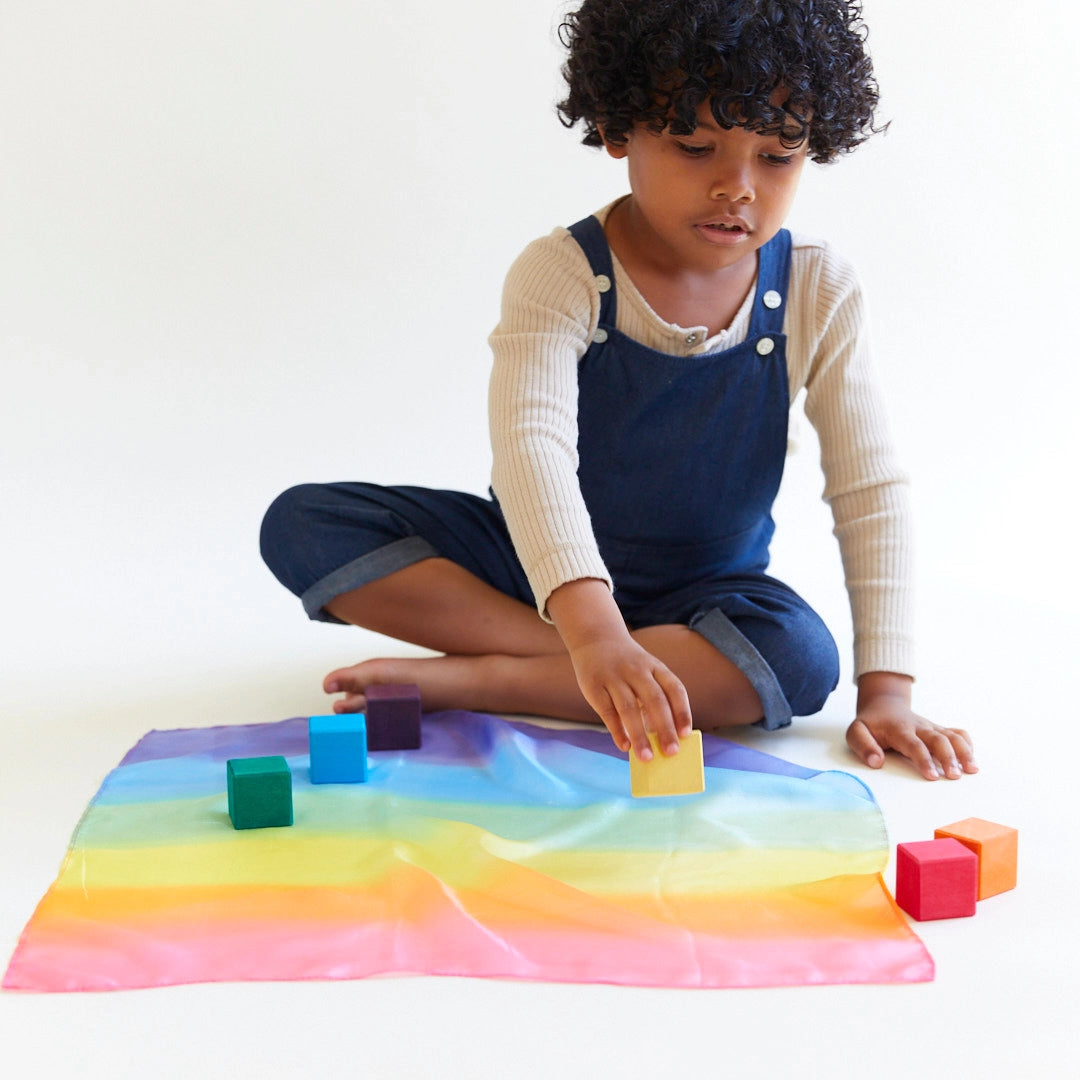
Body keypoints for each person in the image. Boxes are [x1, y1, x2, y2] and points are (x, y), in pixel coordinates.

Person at [260, 0, 977, 781]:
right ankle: (592, 661)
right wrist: (592, 632)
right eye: (696, 146)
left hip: (705, 595)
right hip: (535, 569)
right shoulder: (562, 272)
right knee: (304, 524)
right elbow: (532, 452)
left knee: (801, 658)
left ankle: (491, 678)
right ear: (616, 128)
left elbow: (868, 487)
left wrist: (888, 689)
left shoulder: (816, 287)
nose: (737, 187)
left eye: (778, 156)